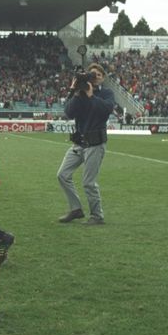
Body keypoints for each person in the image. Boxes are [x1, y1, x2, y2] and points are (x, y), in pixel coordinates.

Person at [56, 63, 115, 225]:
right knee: (62, 175)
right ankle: (76, 209)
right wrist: (74, 92)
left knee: (88, 182)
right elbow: (68, 113)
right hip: (79, 143)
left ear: (103, 78)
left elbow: (106, 110)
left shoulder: (106, 93)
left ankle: (97, 216)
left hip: (95, 143)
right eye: (91, 74)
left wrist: (91, 96)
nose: (94, 77)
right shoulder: (79, 94)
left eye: (98, 75)